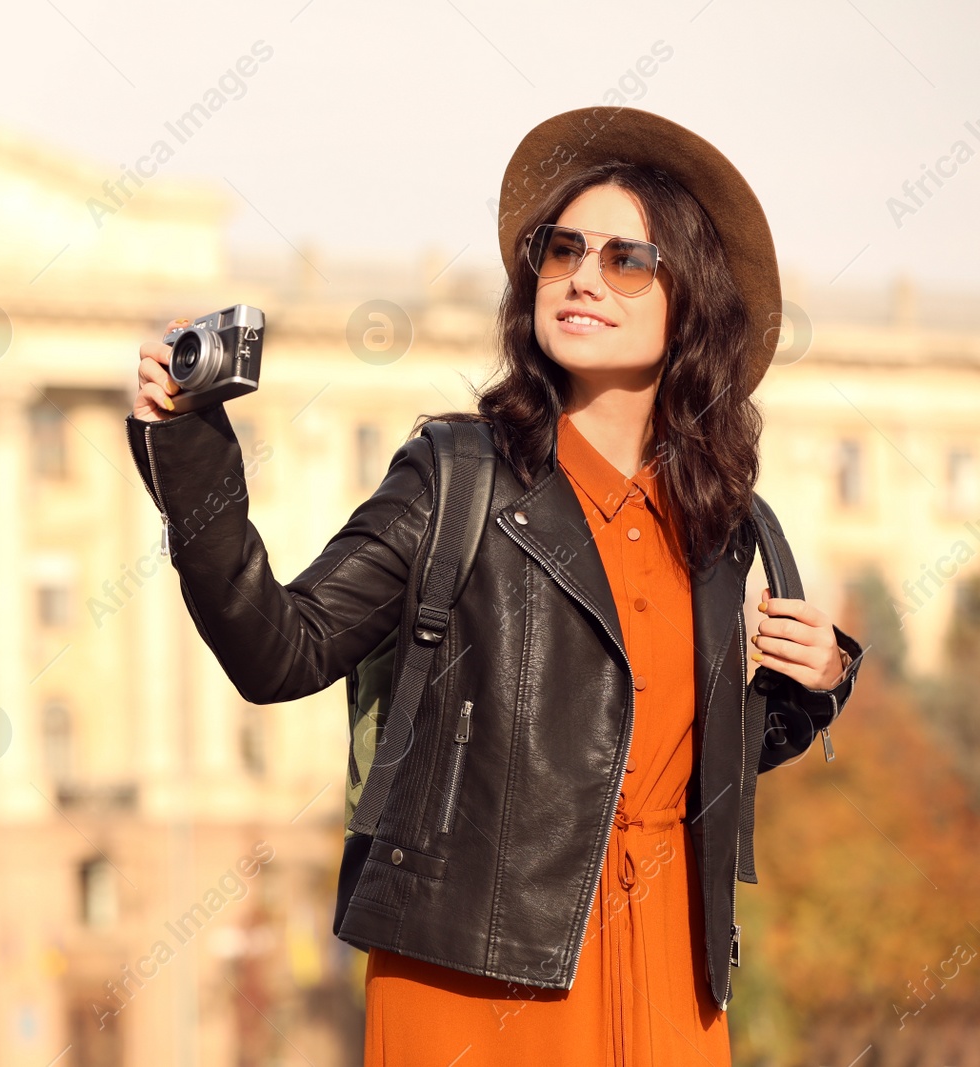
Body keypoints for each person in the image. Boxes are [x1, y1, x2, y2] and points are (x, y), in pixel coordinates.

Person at [126, 107, 866, 1065]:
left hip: (675, 970)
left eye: (626, 259)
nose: (583, 277)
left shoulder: (724, 524)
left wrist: (815, 684)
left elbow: (664, 756)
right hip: (474, 972)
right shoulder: (457, 473)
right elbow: (281, 650)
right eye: (563, 251)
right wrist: (190, 456)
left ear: (694, 300)